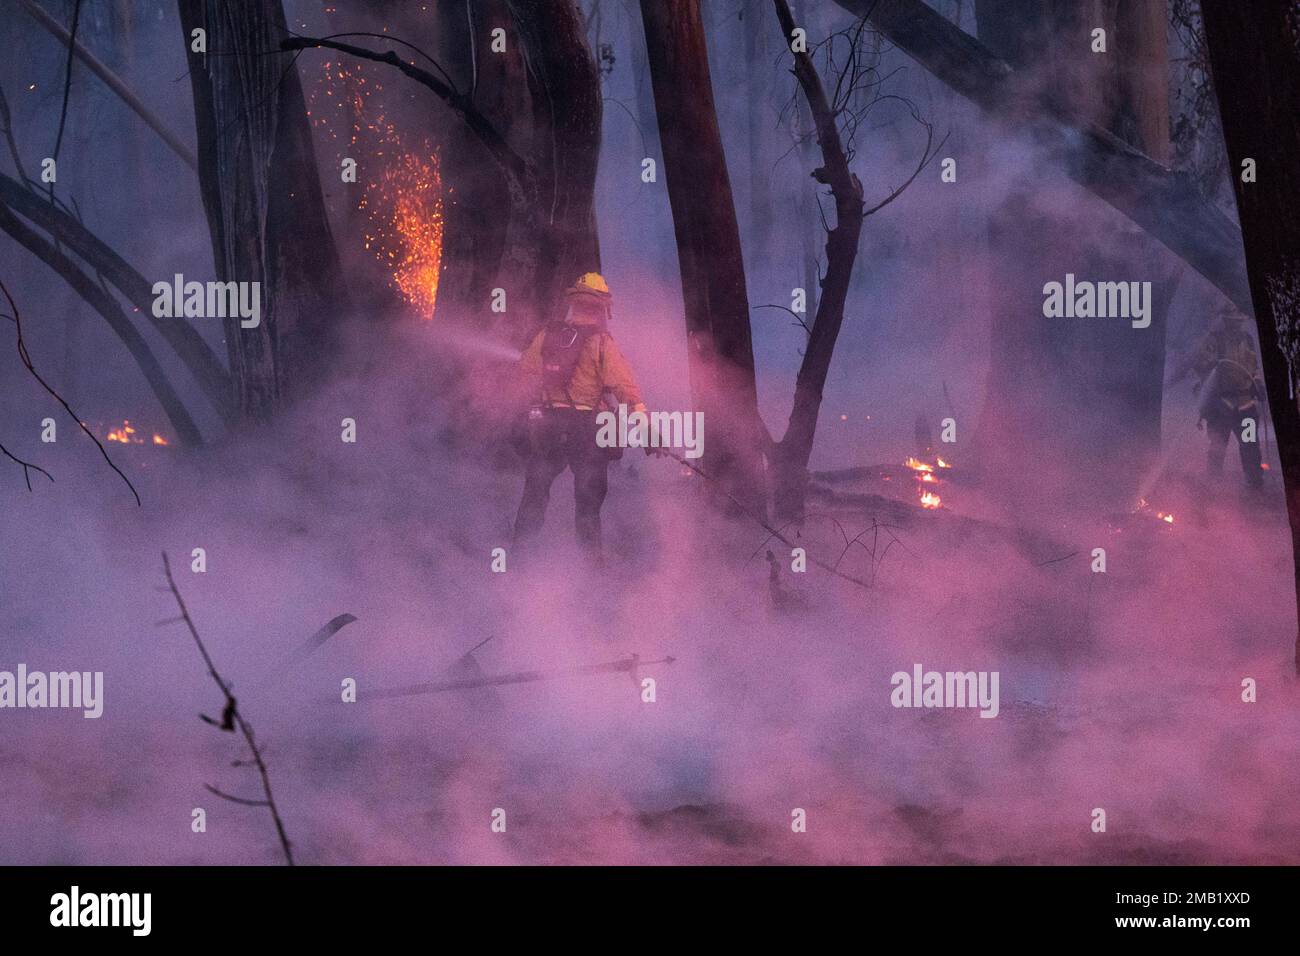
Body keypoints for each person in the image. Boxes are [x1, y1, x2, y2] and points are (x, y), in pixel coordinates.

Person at [512, 273, 646, 557]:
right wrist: (645, 427)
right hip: (586, 431)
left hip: (548, 425)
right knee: (588, 504)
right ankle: (591, 570)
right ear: (601, 308)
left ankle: (518, 557)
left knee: (535, 494)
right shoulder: (601, 343)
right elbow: (625, 388)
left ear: (575, 304)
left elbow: (525, 368)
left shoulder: (548, 335)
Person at [1193, 306, 1264, 488]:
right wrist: (1210, 367)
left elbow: (1253, 367)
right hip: (1221, 407)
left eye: (1239, 320)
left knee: (1250, 446)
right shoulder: (1213, 340)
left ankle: (1254, 483)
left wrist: (1258, 384)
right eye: (1233, 320)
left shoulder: (1247, 340)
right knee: (1217, 447)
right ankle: (1213, 487)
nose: (1237, 324)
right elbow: (1201, 369)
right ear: (1225, 320)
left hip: (1246, 407)